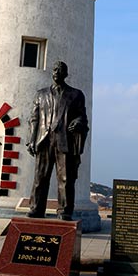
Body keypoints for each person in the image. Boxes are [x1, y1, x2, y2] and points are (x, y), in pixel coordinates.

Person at [26, 61, 89, 220]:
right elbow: (34, 119)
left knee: (65, 179)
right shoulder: (40, 94)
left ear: (66, 74)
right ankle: (36, 208)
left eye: (61, 70)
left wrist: (79, 122)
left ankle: (64, 211)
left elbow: (82, 117)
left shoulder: (76, 94)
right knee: (40, 177)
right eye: (55, 69)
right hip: (44, 140)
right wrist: (31, 140)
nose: (57, 72)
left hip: (64, 140)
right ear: (51, 72)